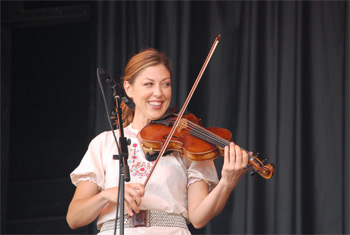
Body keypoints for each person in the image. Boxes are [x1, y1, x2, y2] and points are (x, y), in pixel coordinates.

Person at [66, 48, 249, 235]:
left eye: (165, 84)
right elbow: (74, 218)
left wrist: (227, 182)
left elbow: (198, 217)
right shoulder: (103, 143)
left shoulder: (189, 143)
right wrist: (107, 195)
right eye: (148, 84)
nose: (159, 93)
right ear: (128, 89)